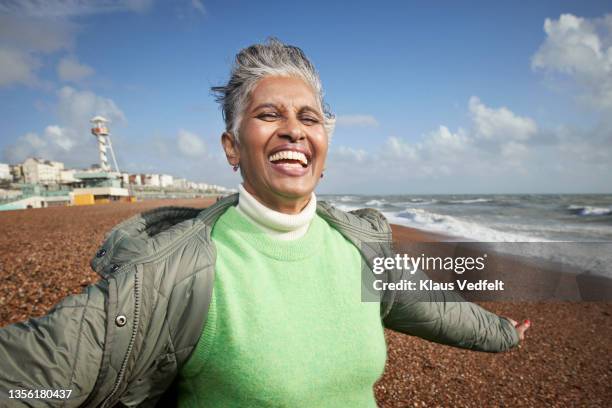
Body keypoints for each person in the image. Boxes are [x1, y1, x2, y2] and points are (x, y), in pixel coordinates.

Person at [0, 38, 530, 407]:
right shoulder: (174, 273)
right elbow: (37, 371)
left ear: (325, 146)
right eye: (269, 115)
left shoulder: (360, 248)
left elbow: (429, 305)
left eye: (310, 117)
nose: (294, 131)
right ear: (232, 148)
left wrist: (503, 332)